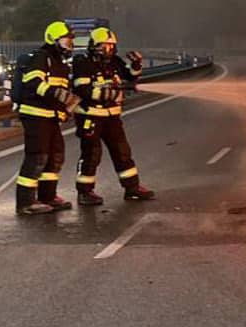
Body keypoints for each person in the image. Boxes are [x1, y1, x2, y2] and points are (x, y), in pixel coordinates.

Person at [71, 26, 155, 205]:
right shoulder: (82, 63)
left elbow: (130, 78)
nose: (108, 51)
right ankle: (84, 192)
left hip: (111, 115)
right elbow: (82, 89)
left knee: (122, 151)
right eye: (104, 47)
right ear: (94, 46)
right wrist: (105, 93)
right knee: (92, 154)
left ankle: (132, 188)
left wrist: (136, 66)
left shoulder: (114, 62)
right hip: (90, 116)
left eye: (111, 47)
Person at [14, 21, 80, 215]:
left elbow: (60, 92)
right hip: (35, 116)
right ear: (53, 39)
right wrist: (57, 94)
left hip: (51, 118)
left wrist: (66, 107)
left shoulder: (60, 63)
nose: (70, 44)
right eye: (66, 40)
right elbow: (33, 82)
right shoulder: (42, 58)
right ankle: (25, 202)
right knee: (37, 157)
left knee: (55, 157)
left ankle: (47, 196)